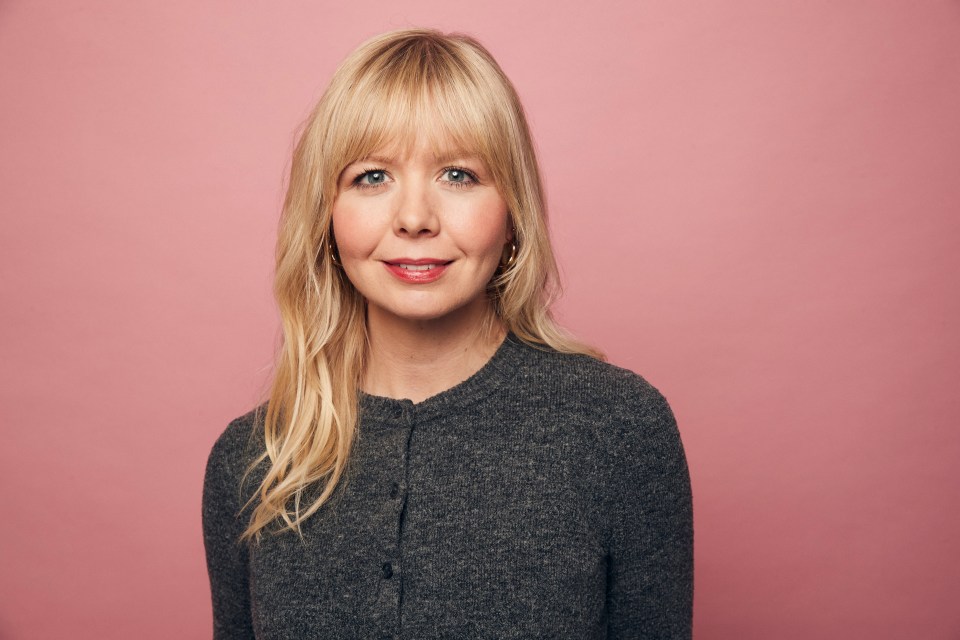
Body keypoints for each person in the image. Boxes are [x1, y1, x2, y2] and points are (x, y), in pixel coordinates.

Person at [202, 28, 693, 639]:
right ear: (324, 216)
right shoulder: (253, 462)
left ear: (513, 210)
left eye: (458, 175)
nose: (414, 219)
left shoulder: (618, 429)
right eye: (372, 177)